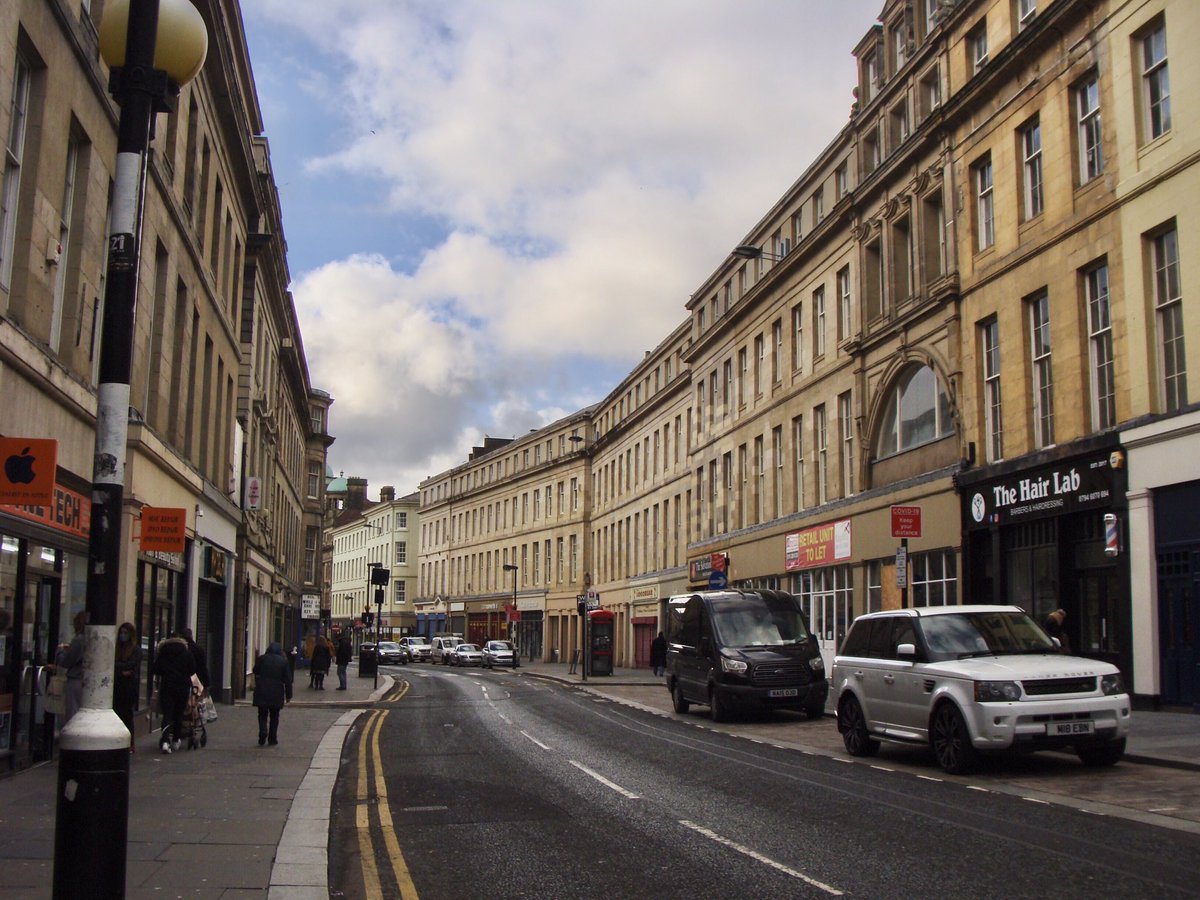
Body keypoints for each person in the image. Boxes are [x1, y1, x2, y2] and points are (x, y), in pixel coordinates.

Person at [153, 631, 196, 753]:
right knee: (179, 713)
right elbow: (192, 670)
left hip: (167, 686)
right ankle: (176, 739)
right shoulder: (186, 653)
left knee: (167, 713)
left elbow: (156, 669)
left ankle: (165, 740)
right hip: (182, 687)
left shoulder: (163, 652)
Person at [252, 642, 292, 746]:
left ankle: (263, 731)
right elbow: (288, 680)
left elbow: (255, 670)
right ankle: (272, 738)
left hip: (262, 689)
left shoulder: (262, 659)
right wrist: (289, 695)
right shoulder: (283, 662)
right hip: (276, 691)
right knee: (275, 716)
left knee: (262, 714)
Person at [54, 611, 88, 723]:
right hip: (85, 679)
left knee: (73, 712)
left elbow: (66, 661)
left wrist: (60, 651)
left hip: (76, 679)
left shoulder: (79, 640)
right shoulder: (91, 639)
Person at [113, 622, 142, 751]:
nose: (122, 635)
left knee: (127, 715)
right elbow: (114, 665)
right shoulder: (116, 649)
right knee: (116, 714)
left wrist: (119, 667)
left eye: (125, 633)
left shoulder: (136, 650)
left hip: (128, 688)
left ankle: (130, 743)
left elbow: (130, 666)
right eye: (121, 632)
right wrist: (122, 670)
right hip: (117, 686)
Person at [181, 627, 211, 694]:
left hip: (182, 681)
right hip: (196, 680)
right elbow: (203, 667)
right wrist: (206, 684)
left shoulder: (181, 649)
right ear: (191, 636)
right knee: (195, 697)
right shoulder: (198, 649)